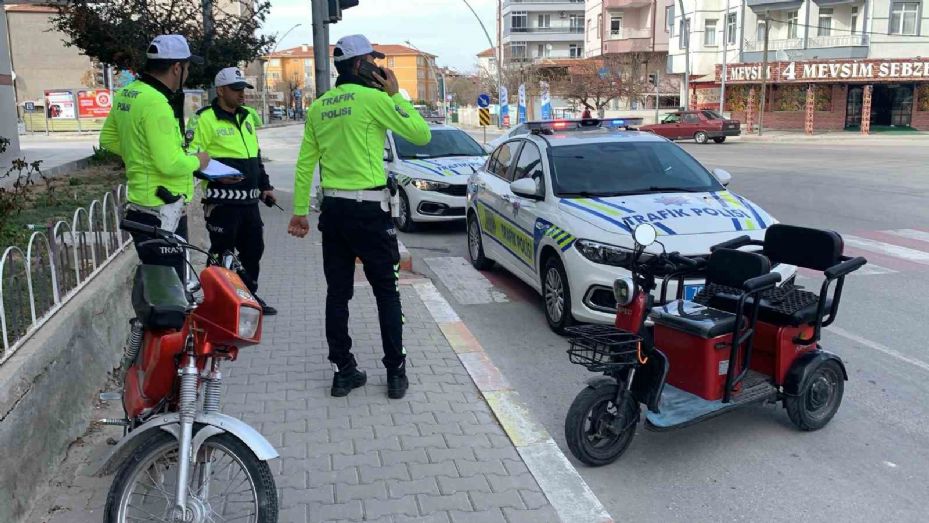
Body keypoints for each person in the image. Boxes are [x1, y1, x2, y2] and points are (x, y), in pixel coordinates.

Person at [288, 34, 431, 399]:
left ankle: (343, 371)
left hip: (333, 212)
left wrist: (300, 212)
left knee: (338, 293)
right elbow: (421, 134)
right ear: (358, 65)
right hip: (369, 211)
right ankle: (396, 374)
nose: (377, 67)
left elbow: (306, 163)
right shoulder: (373, 99)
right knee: (387, 291)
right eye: (372, 60)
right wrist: (395, 94)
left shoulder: (319, 106)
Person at [100, 35, 209, 280]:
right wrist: (199, 161)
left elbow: (107, 139)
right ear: (177, 68)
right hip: (163, 209)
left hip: (141, 204)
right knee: (171, 291)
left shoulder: (128, 93)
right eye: (188, 68)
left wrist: (140, 155)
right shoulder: (157, 103)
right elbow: (170, 164)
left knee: (158, 285)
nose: (188, 73)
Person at [187, 67, 278, 315]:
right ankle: (214, 302)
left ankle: (248, 299)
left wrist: (265, 186)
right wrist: (213, 175)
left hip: (249, 202)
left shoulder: (247, 116)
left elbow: (254, 157)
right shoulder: (204, 118)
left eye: (243, 89)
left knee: (253, 252)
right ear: (220, 90)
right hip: (222, 203)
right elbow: (191, 157)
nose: (242, 94)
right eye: (236, 90)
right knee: (220, 254)